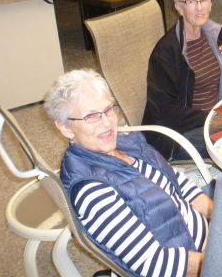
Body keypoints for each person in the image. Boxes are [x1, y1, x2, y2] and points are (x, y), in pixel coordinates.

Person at [45, 69, 212, 277]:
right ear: (65, 128)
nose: (106, 123)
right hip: (196, 261)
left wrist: (219, 216)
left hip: (205, 235)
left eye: (108, 110)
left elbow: (175, 180)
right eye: (91, 116)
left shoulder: (125, 142)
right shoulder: (93, 193)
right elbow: (155, 264)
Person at [143, 0, 222, 160]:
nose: (200, 8)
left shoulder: (214, 34)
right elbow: (165, 112)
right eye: (192, 2)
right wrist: (212, 118)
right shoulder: (167, 52)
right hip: (180, 133)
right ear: (179, 7)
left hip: (215, 117)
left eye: (204, 0)